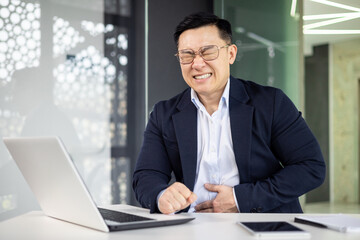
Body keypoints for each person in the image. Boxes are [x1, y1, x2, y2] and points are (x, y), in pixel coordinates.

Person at [132, 12, 325, 214]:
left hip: (261, 224)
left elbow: (310, 167)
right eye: (187, 55)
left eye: (207, 52)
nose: (197, 64)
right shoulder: (163, 113)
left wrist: (240, 199)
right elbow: (146, 175)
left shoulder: (272, 103)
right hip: (191, 227)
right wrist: (161, 195)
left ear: (231, 54)